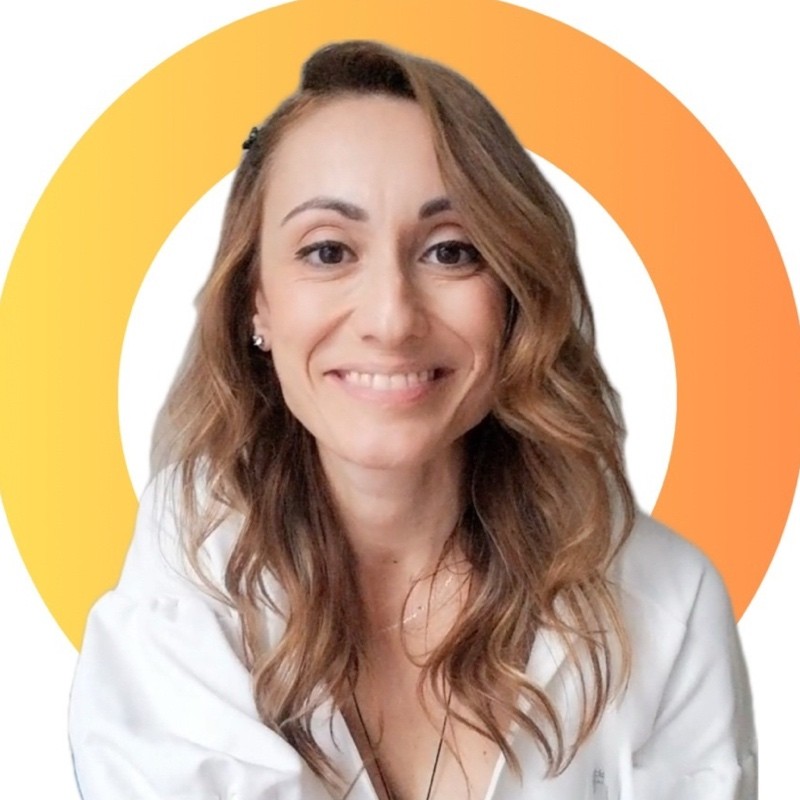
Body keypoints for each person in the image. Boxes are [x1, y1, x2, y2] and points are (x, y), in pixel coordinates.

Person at [68, 40, 756, 800]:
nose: (391, 319)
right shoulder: (192, 558)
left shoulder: (667, 602)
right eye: (328, 252)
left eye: (451, 252)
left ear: (514, 299)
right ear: (256, 302)